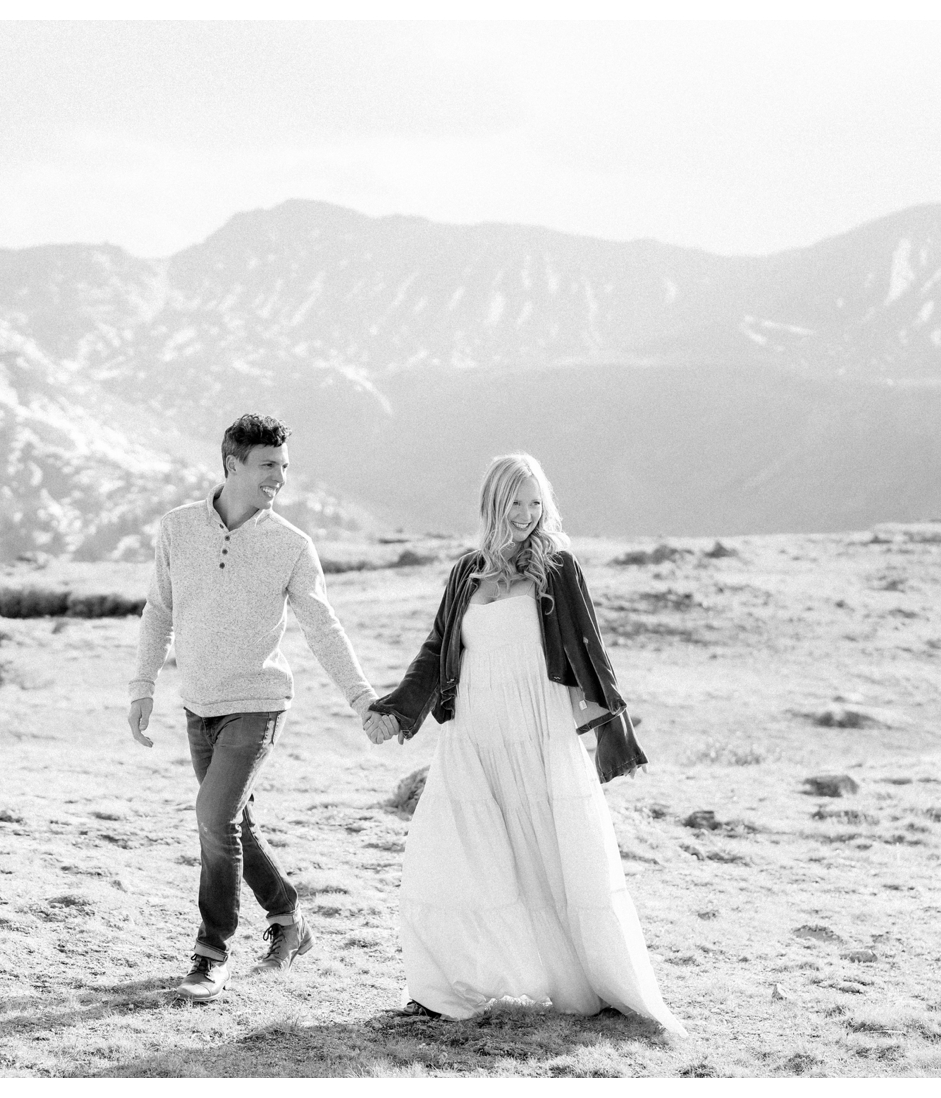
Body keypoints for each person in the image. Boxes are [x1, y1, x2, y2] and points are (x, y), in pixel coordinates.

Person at [367, 453, 686, 1035]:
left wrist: (615, 731)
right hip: (473, 734)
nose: (525, 514)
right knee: (449, 854)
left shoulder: (556, 568)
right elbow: (439, 651)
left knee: (555, 860)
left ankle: (595, 982)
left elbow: (591, 651)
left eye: (535, 502)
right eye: (515, 502)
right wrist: (396, 710)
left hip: (538, 733)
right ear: (493, 503)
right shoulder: (467, 572)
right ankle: (441, 991)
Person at [128, 412, 398, 1004]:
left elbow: (323, 627)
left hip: (258, 703)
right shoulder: (177, 529)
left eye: (284, 466)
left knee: (214, 818)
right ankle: (289, 920)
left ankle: (210, 952)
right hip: (199, 706)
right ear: (232, 466)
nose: (280, 478)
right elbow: (159, 611)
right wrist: (142, 685)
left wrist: (362, 700)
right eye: (268, 466)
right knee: (235, 825)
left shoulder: (291, 545)